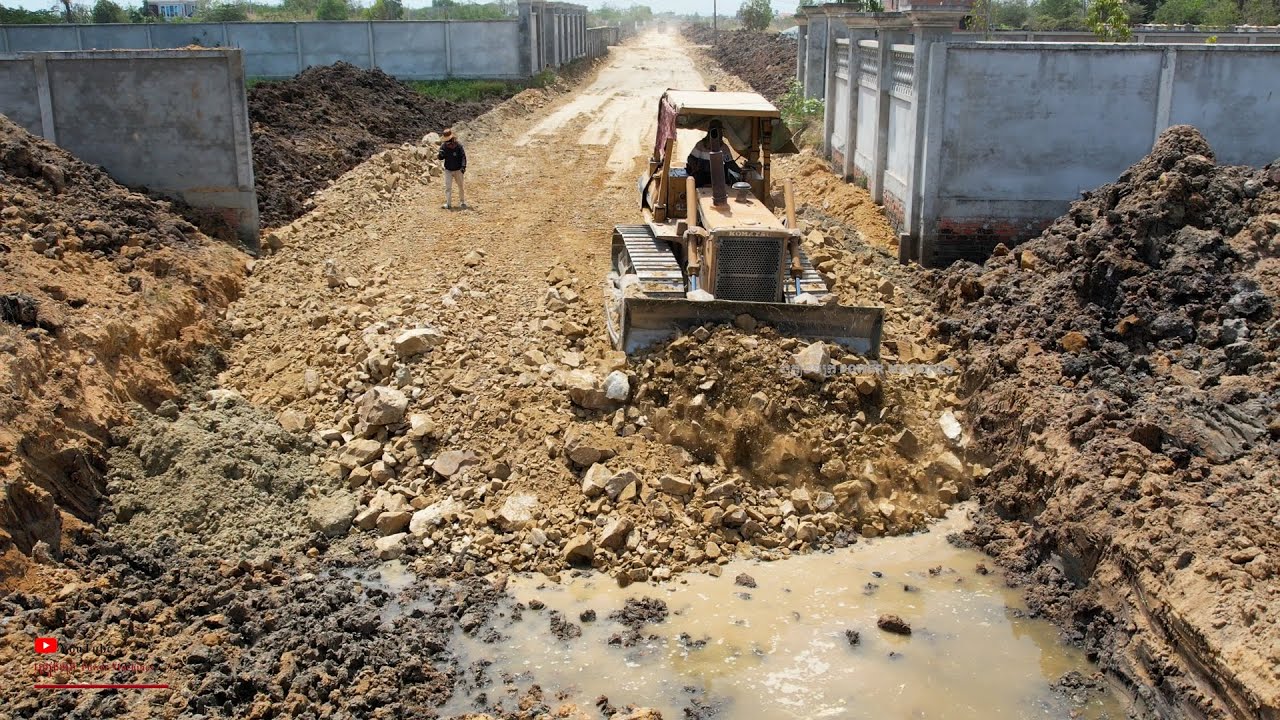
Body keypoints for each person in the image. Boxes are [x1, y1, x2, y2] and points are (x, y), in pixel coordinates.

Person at [685, 119, 742, 188]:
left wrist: (740, 171)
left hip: (717, 175)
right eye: (717, 131)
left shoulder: (724, 147)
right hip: (702, 174)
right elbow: (691, 158)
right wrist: (695, 168)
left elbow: (729, 162)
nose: (720, 133)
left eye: (720, 131)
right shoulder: (701, 145)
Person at [438, 128, 467, 209]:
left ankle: (462, 202)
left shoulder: (458, 146)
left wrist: (463, 167)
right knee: (448, 187)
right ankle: (448, 203)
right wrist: (440, 154)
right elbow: (440, 158)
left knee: (460, 186)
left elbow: (463, 157)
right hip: (448, 170)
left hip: (458, 169)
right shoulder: (444, 146)